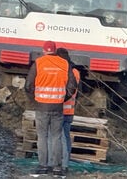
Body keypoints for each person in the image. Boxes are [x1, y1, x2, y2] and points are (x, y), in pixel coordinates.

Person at [27, 40, 77, 177]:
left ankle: (43, 166)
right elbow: (72, 86)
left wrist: (35, 99)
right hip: (57, 107)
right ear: (54, 50)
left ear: (44, 50)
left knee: (42, 136)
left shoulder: (38, 63)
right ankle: (57, 168)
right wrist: (62, 98)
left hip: (41, 106)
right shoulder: (64, 64)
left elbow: (28, 85)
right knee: (56, 137)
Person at [55, 47, 81, 173]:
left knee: (60, 139)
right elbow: (78, 92)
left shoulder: (62, 71)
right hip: (70, 111)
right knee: (66, 136)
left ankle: (62, 164)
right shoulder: (75, 71)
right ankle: (66, 162)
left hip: (59, 110)